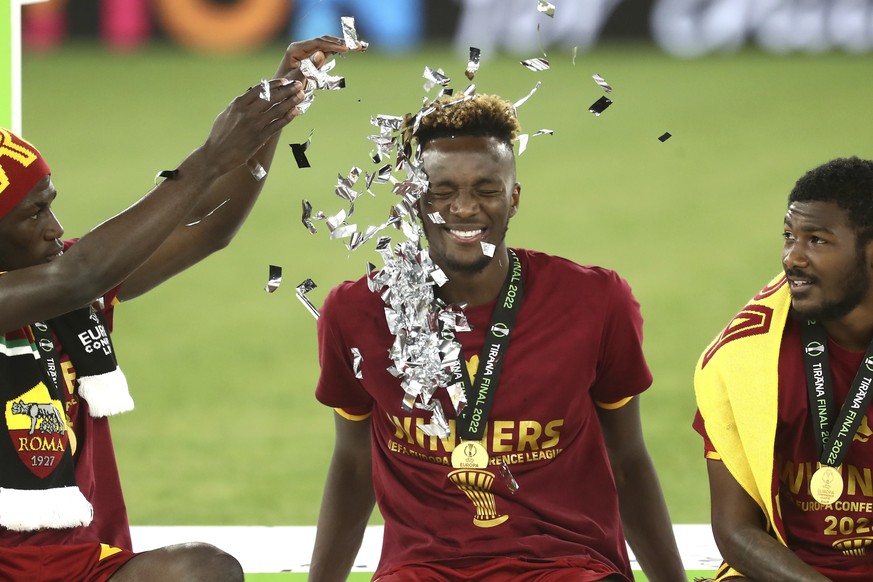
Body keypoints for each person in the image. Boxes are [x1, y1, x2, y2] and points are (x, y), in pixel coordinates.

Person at [0, 36, 349, 581]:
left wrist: (272, 109)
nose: (56, 228)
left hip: (83, 567)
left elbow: (209, 227)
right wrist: (208, 158)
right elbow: (82, 274)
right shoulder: (68, 279)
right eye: (34, 213)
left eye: (52, 204)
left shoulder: (60, 282)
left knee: (203, 572)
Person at [309, 93, 686, 581]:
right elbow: (354, 462)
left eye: (486, 189)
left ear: (514, 197)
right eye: (442, 191)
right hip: (422, 571)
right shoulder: (358, 311)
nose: (464, 208)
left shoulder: (595, 301)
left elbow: (628, 456)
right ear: (414, 198)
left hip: (566, 568)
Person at [694, 157, 873, 581]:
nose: (793, 258)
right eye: (790, 236)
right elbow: (735, 530)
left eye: (817, 241)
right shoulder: (743, 357)